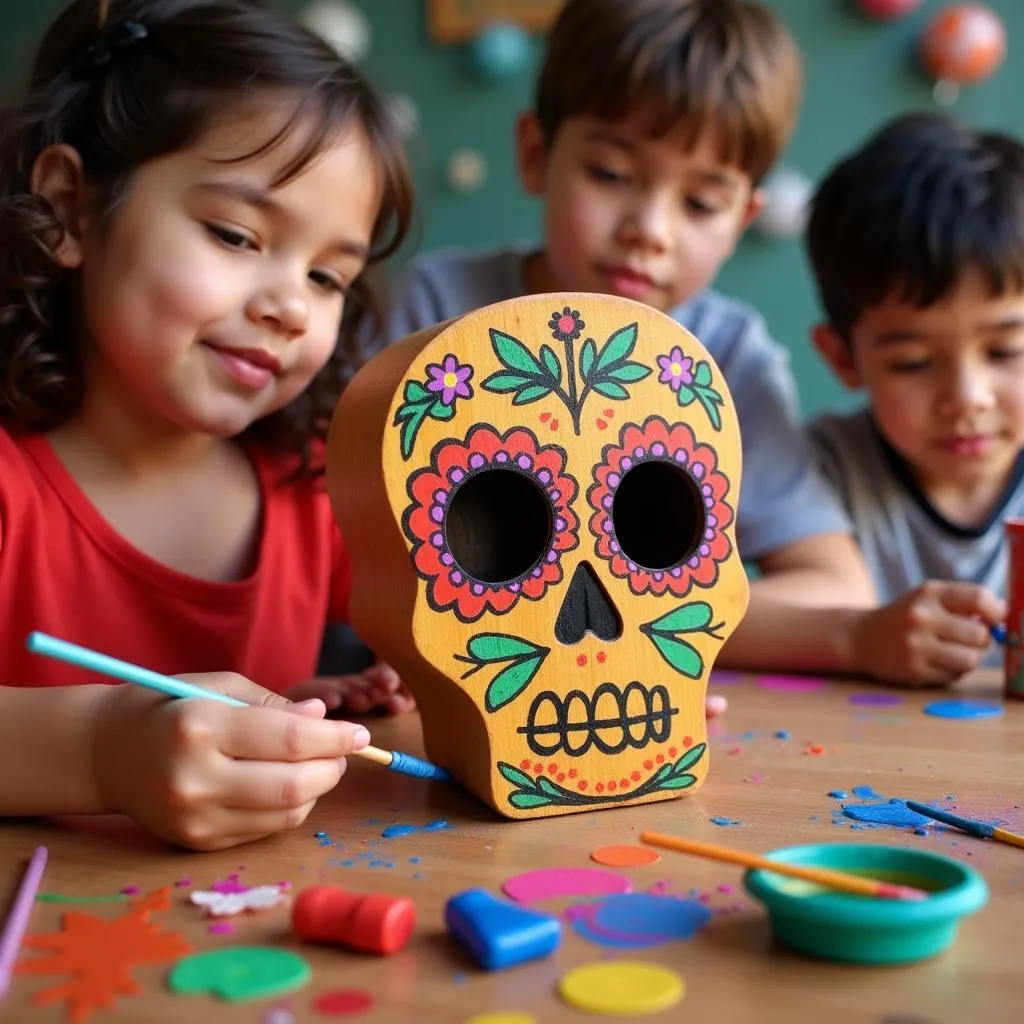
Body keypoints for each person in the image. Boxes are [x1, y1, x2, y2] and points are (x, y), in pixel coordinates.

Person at [0, 0, 416, 850]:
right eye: (235, 234)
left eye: (330, 278)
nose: (291, 306)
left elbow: (449, 631)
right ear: (73, 209)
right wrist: (103, 751)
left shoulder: (322, 489)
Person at [380, 0, 883, 677]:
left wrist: (636, 632)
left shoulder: (725, 357)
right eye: (612, 175)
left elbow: (838, 589)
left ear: (741, 221)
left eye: (701, 203)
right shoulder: (429, 315)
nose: (651, 228)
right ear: (535, 155)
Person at [806, 113, 1013, 683]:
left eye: (1006, 353)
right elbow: (708, 620)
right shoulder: (821, 469)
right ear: (843, 358)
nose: (967, 398)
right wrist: (860, 635)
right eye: (914, 363)